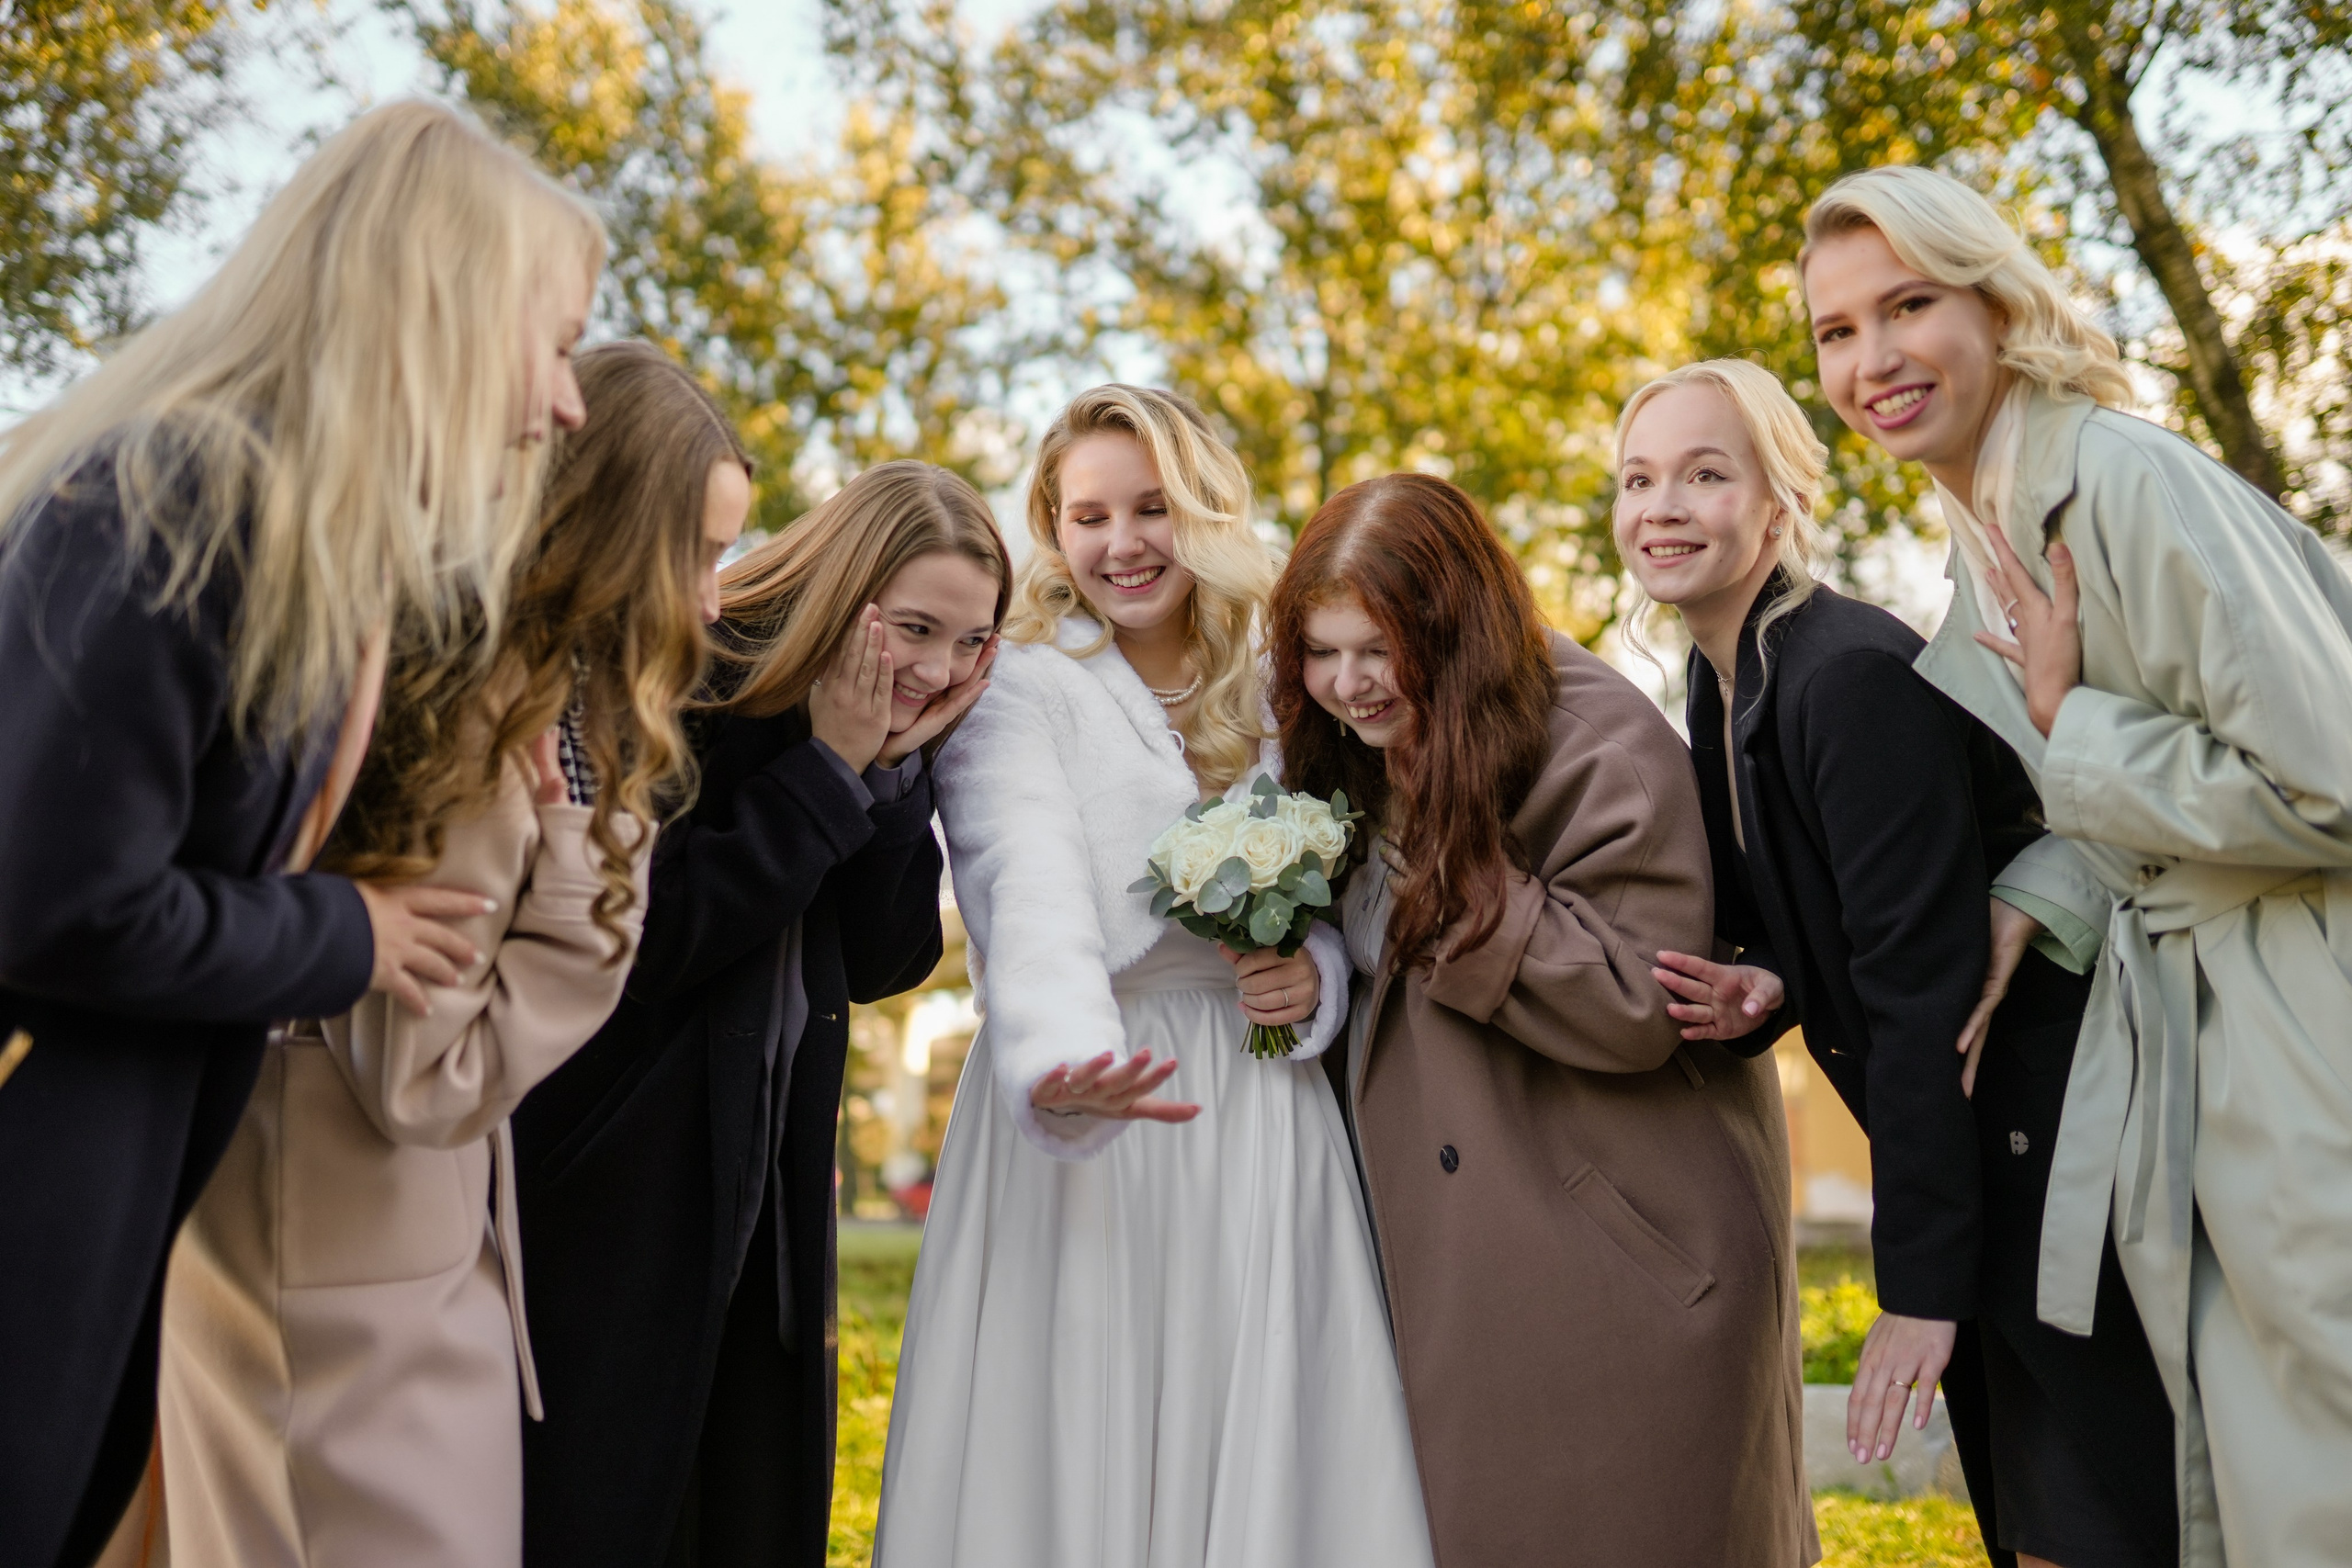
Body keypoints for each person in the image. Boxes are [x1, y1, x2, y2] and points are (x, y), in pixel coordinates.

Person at [0, 100, 601, 1568]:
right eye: (558, 339)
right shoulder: (169, 502)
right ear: (445, 311)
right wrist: (351, 933)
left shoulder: (283, 533)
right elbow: (59, 904)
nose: (569, 402)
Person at [1802, 163, 2352, 1568]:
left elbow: (2330, 780)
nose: (1873, 361)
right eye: (1836, 332)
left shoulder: (2124, 480)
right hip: (2188, 1020)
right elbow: (2129, 796)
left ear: (1996, 304)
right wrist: (2034, 893)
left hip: (2298, 1017)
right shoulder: (1983, 531)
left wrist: (2071, 727)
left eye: (1907, 306)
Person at [152, 341, 743, 1568]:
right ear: (615, 532)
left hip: (383, 1264)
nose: (718, 595)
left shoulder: (540, 694)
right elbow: (432, 1076)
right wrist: (595, 863)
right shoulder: (486, 713)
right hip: (343, 1287)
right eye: (703, 549)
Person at [1621, 359, 2177, 1568]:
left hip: (2046, 1146)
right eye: (1639, 477)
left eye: (1704, 473)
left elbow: (1923, 984)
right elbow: (1805, 911)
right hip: (1976, 1150)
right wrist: (1768, 975)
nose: (1661, 504)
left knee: (2096, 1526)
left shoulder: (1848, 675)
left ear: (1777, 505)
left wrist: (1917, 1286)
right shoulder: (1728, 681)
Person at [875, 386, 1431, 1568]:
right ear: (1051, 528)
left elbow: (1341, 882)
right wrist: (1066, 1062)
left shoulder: (1286, 674)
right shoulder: (1017, 684)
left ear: (1205, 511)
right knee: (1082, 1410)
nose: (1121, 543)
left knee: (1268, 1415)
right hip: (1092, 1089)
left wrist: (1312, 979)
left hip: (1260, 1097)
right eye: (1087, 515)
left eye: (1151, 507)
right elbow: (1020, 885)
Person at [1267, 471, 1811, 1566]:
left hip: (1614, 1260)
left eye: (1374, 650)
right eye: (1321, 654)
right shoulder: (1357, 746)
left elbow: (1630, 1004)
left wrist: (1439, 863)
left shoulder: (1594, 736)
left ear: (1450, 621)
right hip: (1461, 1259)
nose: (1348, 685)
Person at [515, 458, 1006, 1568]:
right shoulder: (694, 681)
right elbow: (656, 939)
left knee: (738, 1503)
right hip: (617, 1175)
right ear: (845, 595)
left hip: (764, 1193)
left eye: (972, 642)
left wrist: (879, 780)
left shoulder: (884, 724)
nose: (939, 668)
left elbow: (889, 957)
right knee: (601, 1506)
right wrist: (829, 772)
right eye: (918, 629)